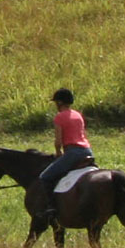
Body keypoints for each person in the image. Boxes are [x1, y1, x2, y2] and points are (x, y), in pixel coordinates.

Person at [37, 88, 91, 219]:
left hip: (72, 153)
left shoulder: (59, 117)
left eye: (56, 102)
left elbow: (58, 141)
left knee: (45, 177)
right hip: (87, 151)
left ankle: (51, 207)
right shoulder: (78, 115)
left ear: (60, 102)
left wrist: (58, 153)